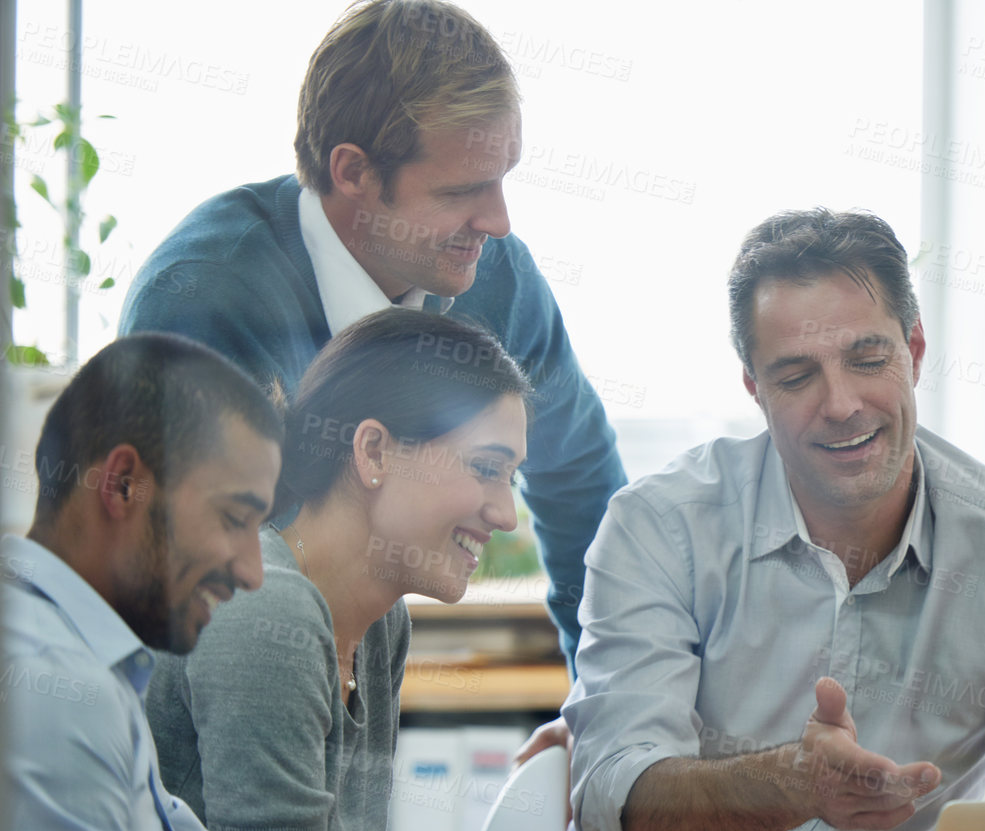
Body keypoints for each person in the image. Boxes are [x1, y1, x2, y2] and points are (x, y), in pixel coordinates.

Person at [2, 333, 722, 831]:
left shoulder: (91, 673)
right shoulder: (50, 694)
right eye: (235, 518)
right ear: (123, 484)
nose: (247, 566)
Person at [520, 208, 985, 831]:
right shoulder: (660, 528)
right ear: (754, 388)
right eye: (796, 375)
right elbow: (615, 815)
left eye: (867, 358)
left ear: (914, 350)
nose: (842, 404)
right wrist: (792, 784)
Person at [144, 309, 725, 831]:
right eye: (485, 467)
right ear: (373, 452)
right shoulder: (266, 611)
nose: (505, 513)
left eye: (510, 477)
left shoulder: (378, 623)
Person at [118, 0, 625, 663]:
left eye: (502, 179)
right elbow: (201, 597)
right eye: (459, 192)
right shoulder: (204, 302)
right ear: (352, 172)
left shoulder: (497, 279)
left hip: (359, 675)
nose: (498, 222)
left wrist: (608, 710)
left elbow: (580, 482)